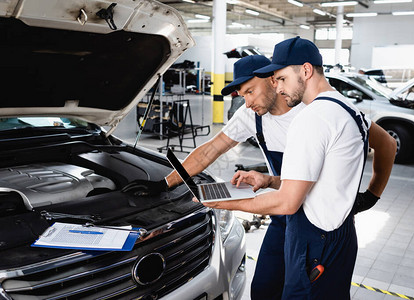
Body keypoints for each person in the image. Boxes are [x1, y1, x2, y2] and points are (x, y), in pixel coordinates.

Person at [198, 37, 397, 299]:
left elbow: (287, 203)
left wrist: (222, 202)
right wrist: (370, 196)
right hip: (341, 235)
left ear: (305, 70)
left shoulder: (312, 118)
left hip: (315, 241)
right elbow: (319, 179)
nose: (278, 87)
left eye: (281, 79)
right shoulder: (349, 109)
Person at [123, 54, 304, 299]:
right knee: (264, 289)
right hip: (283, 216)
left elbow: (372, 134)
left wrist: (370, 192)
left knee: (302, 292)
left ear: (272, 80)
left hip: (317, 221)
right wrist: (165, 183)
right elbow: (210, 149)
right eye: (243, 96)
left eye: (250, 91)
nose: (247, 103)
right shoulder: (252, 116)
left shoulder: (310, 111)